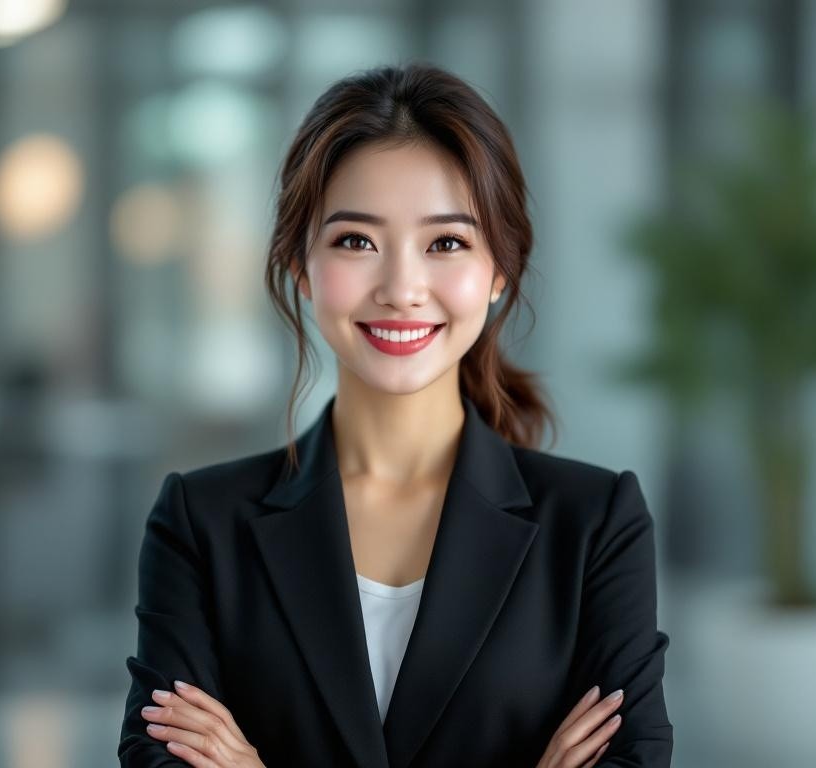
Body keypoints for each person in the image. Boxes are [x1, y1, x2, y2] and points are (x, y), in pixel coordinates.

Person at [118, 62, 673, 768]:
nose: (403, 288)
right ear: (300, 263)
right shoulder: (201, 523)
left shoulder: (596, 524)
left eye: (446, 243)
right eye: (356, 241)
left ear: (500, 269)